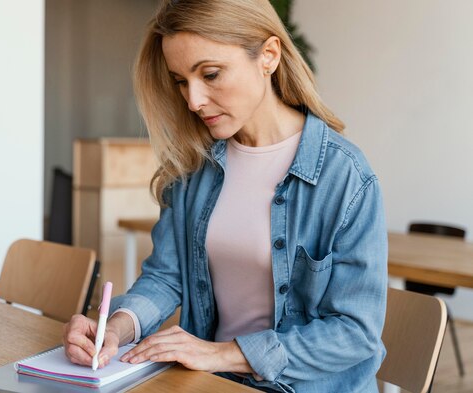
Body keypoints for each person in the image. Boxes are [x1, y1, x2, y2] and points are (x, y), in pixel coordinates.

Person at [63, 0, 388, 392]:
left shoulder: (345, 177)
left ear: (268, 56)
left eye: (211, 74)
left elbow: (355, 332)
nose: (194, 100)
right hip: (213, 381)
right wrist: (116, 328)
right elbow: (166, 278)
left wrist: (224, 353)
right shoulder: (195, 165)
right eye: (181, 81)